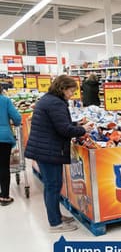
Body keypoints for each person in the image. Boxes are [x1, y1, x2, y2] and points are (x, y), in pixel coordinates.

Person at [25, 75, 94, 232]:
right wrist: (83, 129)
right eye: (71, 91)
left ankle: (57, 216)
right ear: (62, 88)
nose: (72, 94)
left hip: (45, 148)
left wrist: (77, 124)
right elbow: (64, 129)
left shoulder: (49, 99)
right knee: (52, 186)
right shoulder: (55, 103)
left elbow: (59, 123)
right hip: (48, 150)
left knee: (54, 185)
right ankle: (55, 223)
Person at [0, 85, 22, 206]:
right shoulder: (5, 100)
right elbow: (17, 117)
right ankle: (4, 196)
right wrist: (16, 122)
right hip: (3, 137)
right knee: (3, 166)